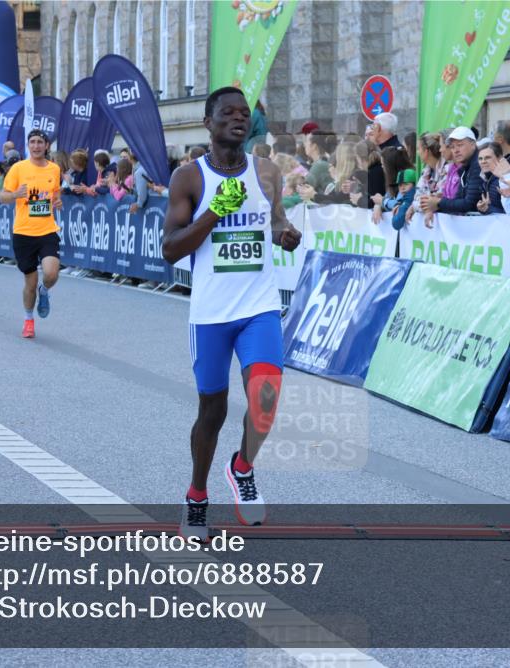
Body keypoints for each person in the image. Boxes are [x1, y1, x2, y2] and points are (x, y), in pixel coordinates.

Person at [161, 86, 301, 541]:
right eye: (228, 113)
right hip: (211, 314)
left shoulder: (266, 171)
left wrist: (285, 233)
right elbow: (170, 249)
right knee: (212, 411)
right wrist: (212, 216)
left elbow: (275, 218)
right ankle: (197, 497)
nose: (238, 119)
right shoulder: (190, 177)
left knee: (266, 398)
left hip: (259, 307)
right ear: (209, 121)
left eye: (245, 114)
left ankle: (242, 467)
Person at [0, 129, 63, 338]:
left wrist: (58, 202)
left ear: (46, 146)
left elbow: (55, 196)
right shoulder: (18, 168)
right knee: (30, 283)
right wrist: (15, 194)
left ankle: (45, 291)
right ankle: (28, 319)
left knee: (52, 273)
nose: (36, 146)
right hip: (23, 232)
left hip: (47, 230)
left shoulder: (54, 169)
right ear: (28, 146)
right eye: (32, 142)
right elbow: (1, 196)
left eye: (39, 142)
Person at [420, 127, 483, 216]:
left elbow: (469, 204)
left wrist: (438, 203)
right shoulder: (465, 167)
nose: (456, 150)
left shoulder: (478, 165)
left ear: (473, 144)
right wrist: (436, 205)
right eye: (452, 147)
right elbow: (459, 199)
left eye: (460, 145)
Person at [476, 143, 506, 215]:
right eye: (480, 159)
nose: (483, 161)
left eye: (488, 157)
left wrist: (487, 209)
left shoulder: (504, 179)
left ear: (499, 158)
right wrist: (483, 208)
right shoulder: (486, 179)